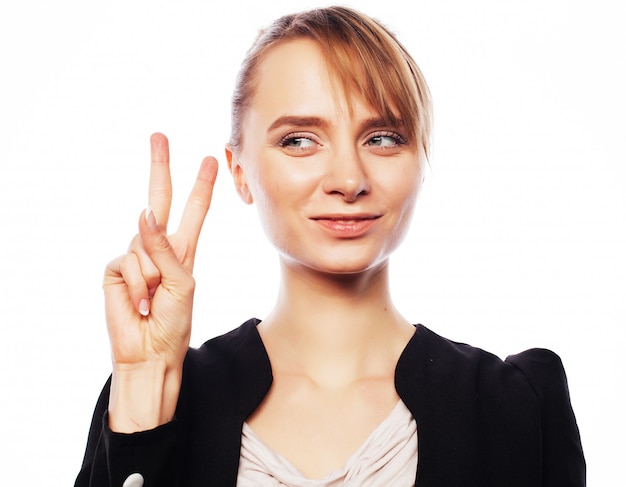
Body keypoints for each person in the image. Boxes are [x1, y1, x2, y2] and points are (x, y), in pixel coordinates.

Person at [75, 6, 585, 486]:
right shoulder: (153, 396)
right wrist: (145, 386)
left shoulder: (517, 405)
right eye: (299, 139)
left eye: (383, 137)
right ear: (239, 172)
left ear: (421, 160)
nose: (348, 179)